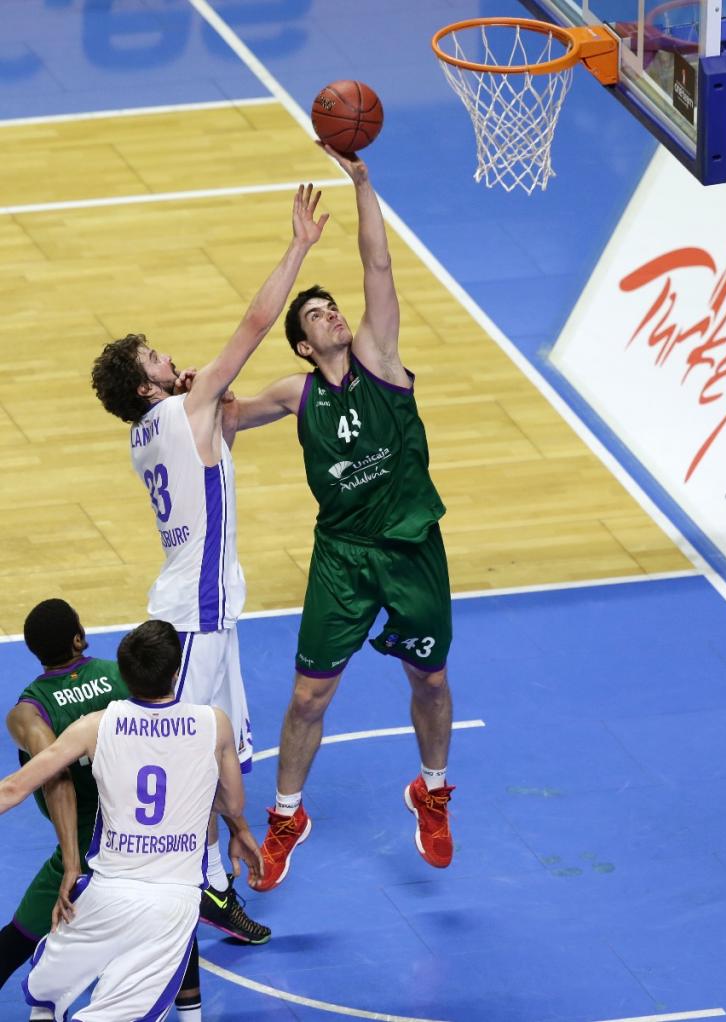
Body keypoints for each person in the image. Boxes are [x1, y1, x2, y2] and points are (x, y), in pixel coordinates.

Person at [90, 184, 329, 930]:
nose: (171, 356)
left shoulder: (157, 429)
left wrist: (314, 385)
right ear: (146, 384)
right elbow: (257, 324)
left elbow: (261, 407)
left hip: (210, 611)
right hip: (191, 616)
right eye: (157, 356)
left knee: (227, 754)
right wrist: (298, 248)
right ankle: (161, 885)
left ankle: (212, 880)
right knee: (192, 755)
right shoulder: (182, 410)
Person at [223, 147, 455, 892]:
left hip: (410, 546)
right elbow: (223, 412)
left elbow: (378, 270)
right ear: (302, 343)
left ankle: (431, 789)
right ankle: (287, 816)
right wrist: (183, 392)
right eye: (318, 314)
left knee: (429, 680)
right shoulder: (297, 393)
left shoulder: (381, 360)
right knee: (306, 696)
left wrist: (362, 183)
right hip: (343, 557)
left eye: (333, 308)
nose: (334, 314)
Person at [0, 618, 261, 1022]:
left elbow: (13, 790)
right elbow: (231, 802)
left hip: (105, 894)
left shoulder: (95, 726)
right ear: (177, 673)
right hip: (171, 900)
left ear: (123, 674)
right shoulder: (215, 723)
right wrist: (240, 830)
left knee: (45, 995)